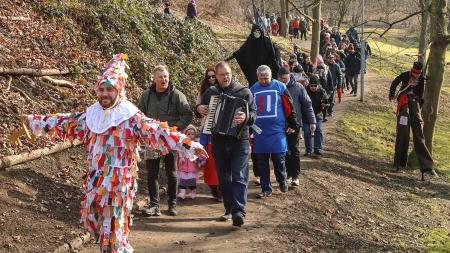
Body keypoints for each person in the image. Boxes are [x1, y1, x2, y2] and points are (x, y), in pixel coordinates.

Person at [18, 54, 207, 253]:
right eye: (102, 89)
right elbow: (66, 121)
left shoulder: (131, 116)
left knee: (116, 234)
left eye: (110, 89)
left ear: (119, 91)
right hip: (95, 185)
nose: (105, 94)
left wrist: (188, 145)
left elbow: (158, 131)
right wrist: (34, 120)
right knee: (98, 227)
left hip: (118, 187)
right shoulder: (91, 114)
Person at [195, 62, 256, 227]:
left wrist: (246, 118)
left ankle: (239, 211)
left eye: (227, 73)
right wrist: (198, 109)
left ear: (231, 73)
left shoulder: (244, 92)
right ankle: (229, 209)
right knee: (223, 178)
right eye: (221, 75)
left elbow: (254, 115)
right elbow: (199, 110)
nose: (225, 77)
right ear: (216, 76)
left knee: (239, 175)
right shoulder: (211, 92)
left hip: (239, 140)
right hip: (218, 141)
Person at [138, 65, 193, 217]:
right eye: (160, 77)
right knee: (152, 173)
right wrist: (145, 128)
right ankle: (155, 206)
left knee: (172, 173)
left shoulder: (177, 95)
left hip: (171, 140)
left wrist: (176, 128)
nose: (164, 80)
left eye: (166, 77)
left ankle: (172, 204)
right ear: (154, 78)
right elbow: (139, 114)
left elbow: (188, 114)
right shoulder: (146, 95)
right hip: (152, 140)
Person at [250, 65, 299, 198]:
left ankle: (282, 180)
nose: (264, 81)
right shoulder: (253, 89)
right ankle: (266, 188)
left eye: (266, 78)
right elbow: (249, 110)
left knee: (278, 158)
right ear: (257, 77)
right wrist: (249, 128)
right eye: (261, 78)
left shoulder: (280, 87)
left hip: (277, 130)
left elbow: (289, 106)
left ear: (271, 76)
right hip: (260, 132)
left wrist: (293, 123)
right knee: (262, 161)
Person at [388, 61, 436, 180]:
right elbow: (395, 82)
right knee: (402, 131)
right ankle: (399, 162)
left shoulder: (421, 78)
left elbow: (420, 94)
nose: (416, 76)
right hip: (404, 102)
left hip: (414, 103)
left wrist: (418, 104)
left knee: (419, 134)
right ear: (411, 70)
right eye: (414, 74)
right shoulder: (405, 75)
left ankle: (426, 165)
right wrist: (391, 94)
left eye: (418, 74)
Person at [278, 68, 315, 187]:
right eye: (281, 78)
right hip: (279, 125)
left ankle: (295, 176)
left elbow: (307, 105)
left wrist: (312, 121)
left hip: (294, 124)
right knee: (283, 151)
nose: (283, 80)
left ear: (290, 76)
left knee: (293, 150)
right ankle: (287, 174)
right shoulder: (275, 87)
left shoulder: (299, 88)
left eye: (285, 78)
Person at [196, 67, 221, 201]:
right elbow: (197, 110)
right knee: (210, 161)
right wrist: (199, 108)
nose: (211, 79)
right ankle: (214, 187)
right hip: (206, 128)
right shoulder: (203, 92)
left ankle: (221, 187)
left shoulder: (224, 89)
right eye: (209, 77)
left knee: (220, 161)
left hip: (221, 130)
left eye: (213, 76)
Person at [304, 76, 328, 156]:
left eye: (315, 85)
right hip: (306, 116)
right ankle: (308, 150)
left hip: (318, 115)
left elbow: (328, 102)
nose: (313, 87)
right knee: (307, 132)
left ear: (318, 85)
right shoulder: (305, 91)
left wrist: (325, 104)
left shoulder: (322, 91)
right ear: (309, 85)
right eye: (311, 85)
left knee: (318, 130)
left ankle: (318, 148)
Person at [177, 125, 200, 200]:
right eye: (188, 134)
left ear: (195, 135)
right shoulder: (182, 143)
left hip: (192, 164)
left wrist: (199, 159)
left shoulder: (196, 144)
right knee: (182, 179)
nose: (190, 135)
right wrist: (181, 157)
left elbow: (199, 152)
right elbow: (180, 150)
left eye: (192, 134)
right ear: (185, 134)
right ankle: (182, 192)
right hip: (184, 163)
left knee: (192, 179)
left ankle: (192, 192)